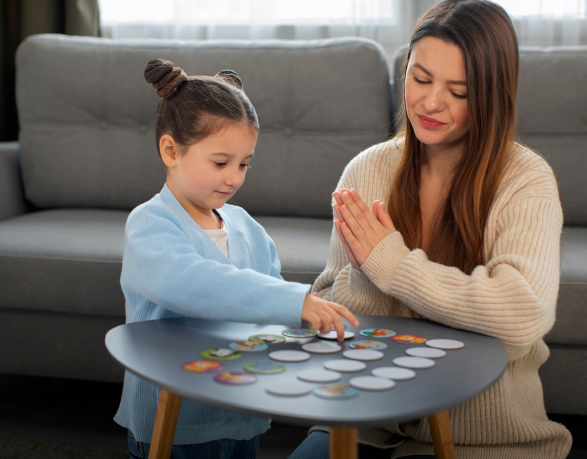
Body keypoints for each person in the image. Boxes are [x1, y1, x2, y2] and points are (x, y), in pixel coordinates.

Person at [289, 0, 573, 458]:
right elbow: (329, 311)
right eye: (420, 78)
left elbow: (522, 314)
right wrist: (365, 276)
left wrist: (392, 264)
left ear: (491, 94)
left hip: (481, 439)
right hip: (367, 422)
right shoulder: (366, 170)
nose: (431, 102)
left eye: (458, 91)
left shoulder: (525, 179)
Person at [113, 59, 359, 459]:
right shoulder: (149, 225)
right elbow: (193, 283)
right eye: (220, 163)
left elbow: (269, 297)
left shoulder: (246, 226)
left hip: (239, 414)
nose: (235, 178)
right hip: (174, 425)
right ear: (170, 150)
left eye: (244, 164)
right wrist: (293, 301)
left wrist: (309, 324)